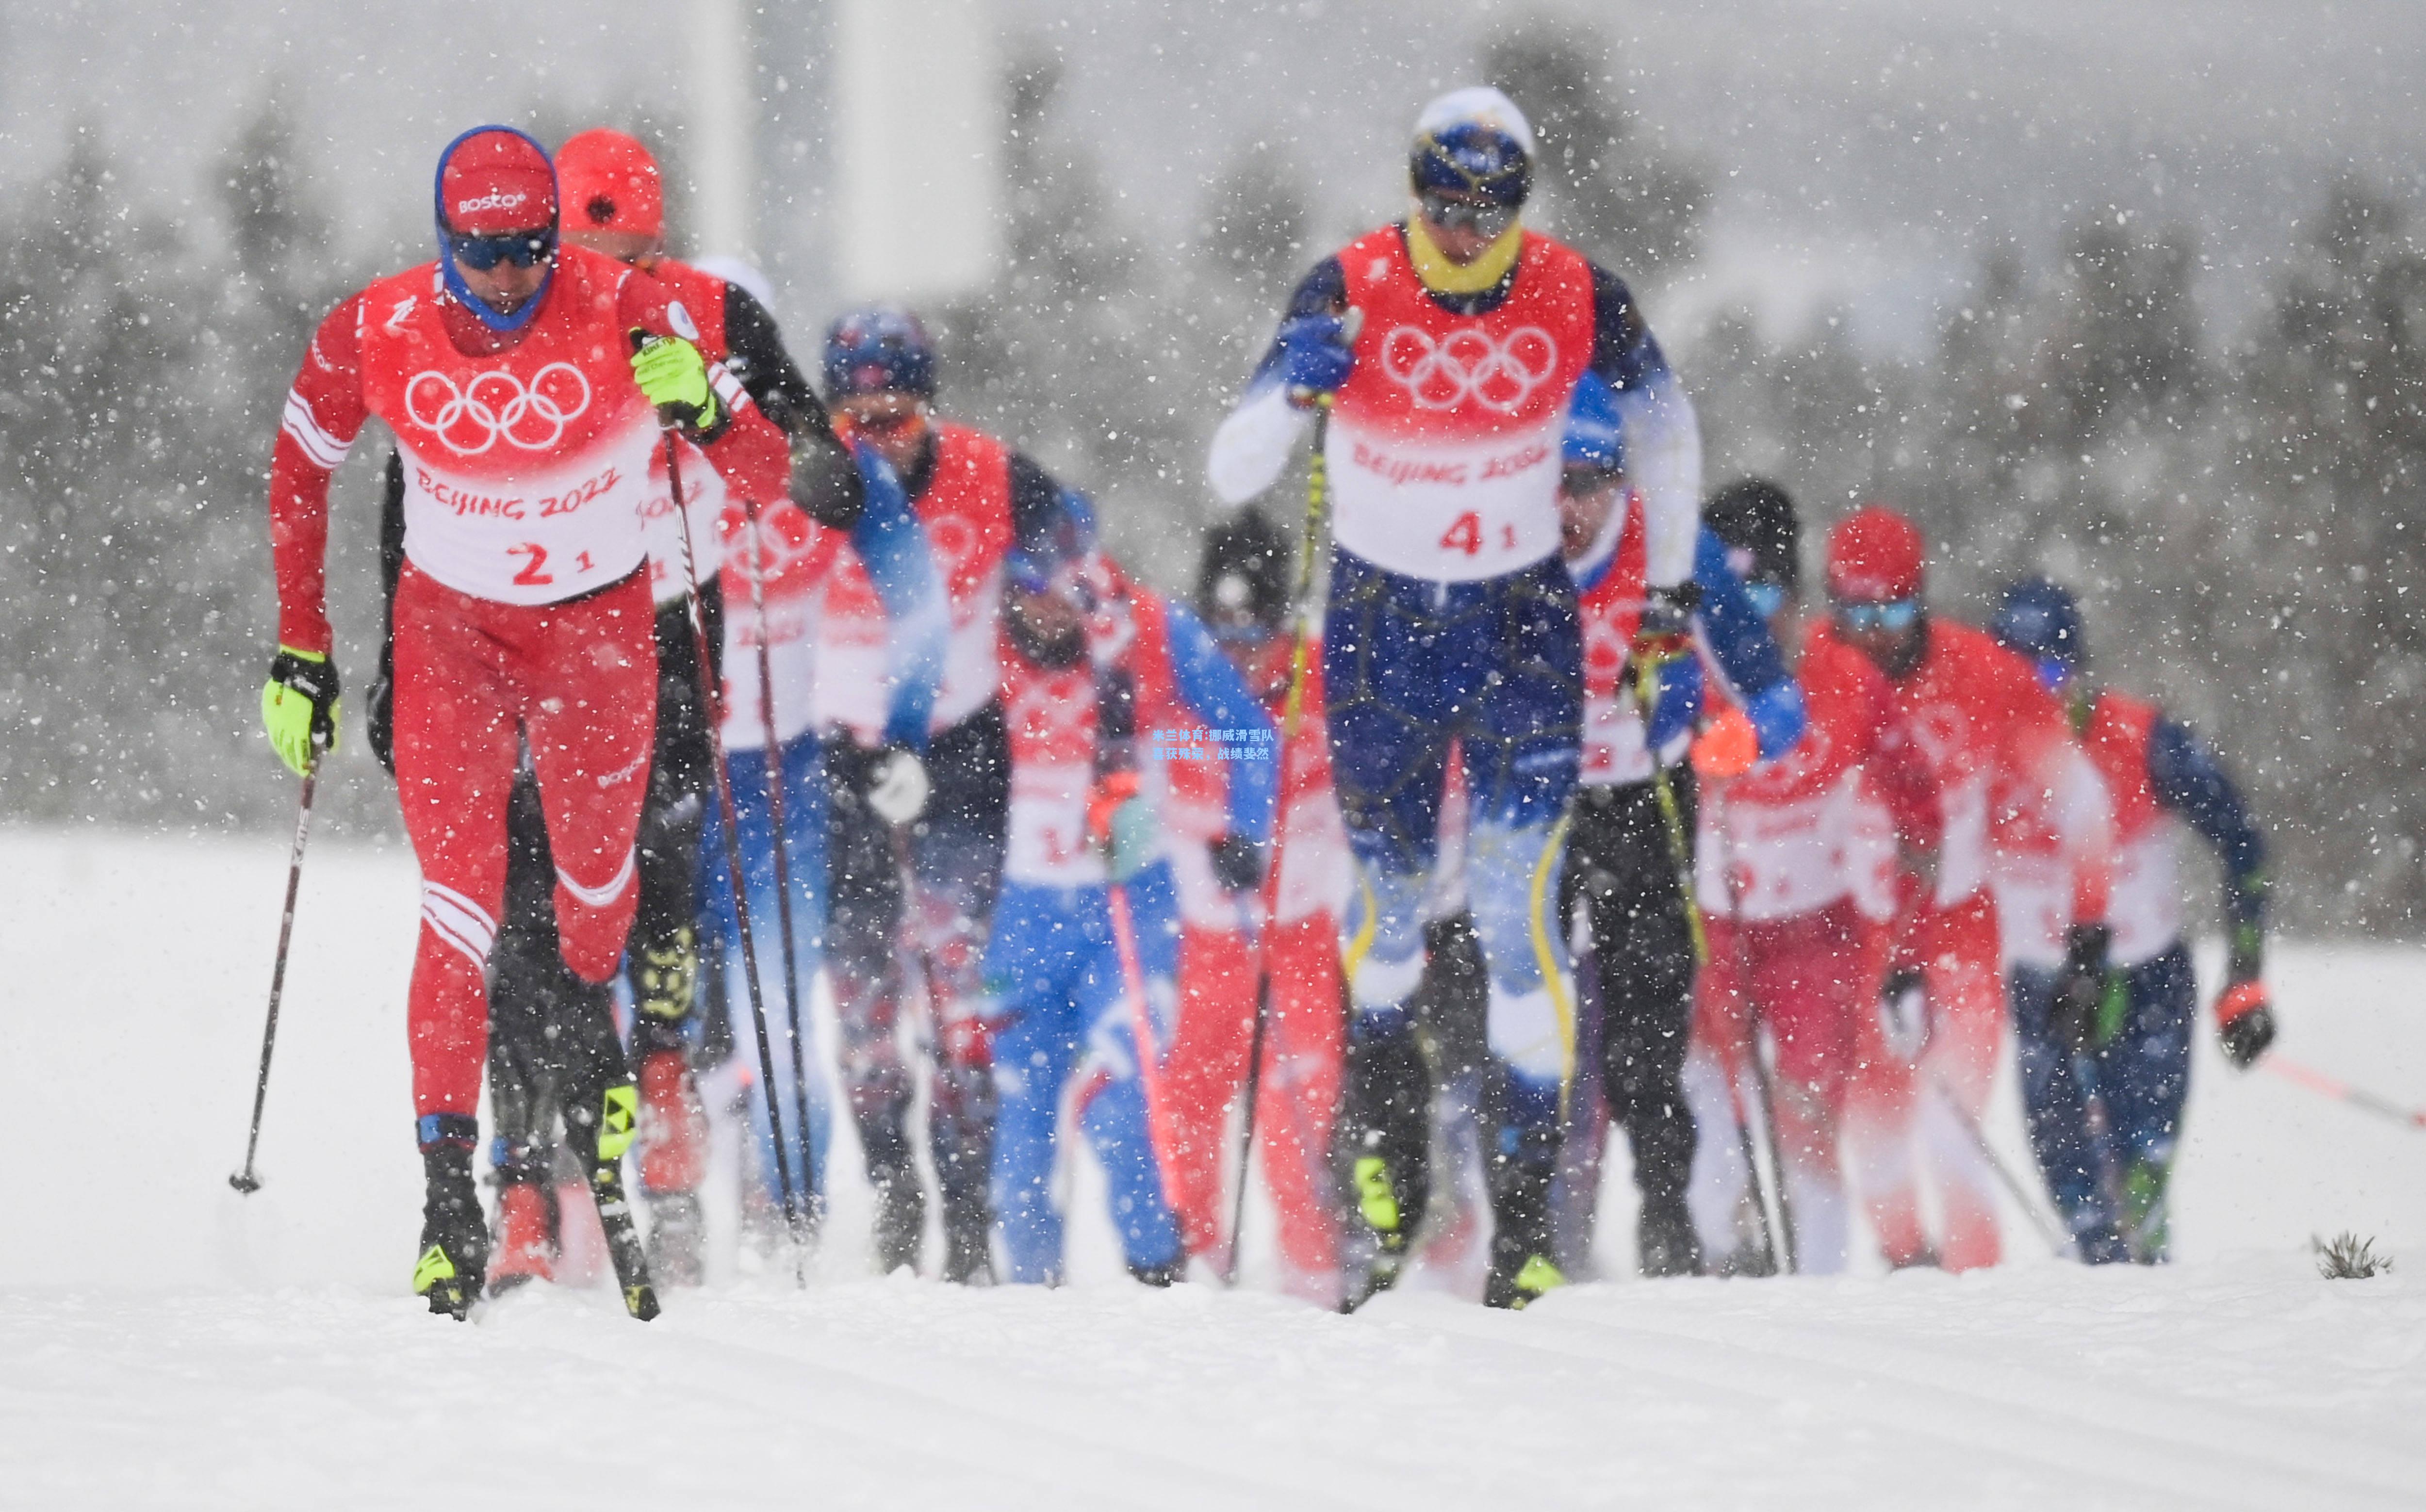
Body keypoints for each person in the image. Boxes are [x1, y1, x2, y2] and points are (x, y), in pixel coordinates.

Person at [261, 126, 790, 1317]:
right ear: (444, 239)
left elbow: (766, 474)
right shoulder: (373, 329)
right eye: (483, 253)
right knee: (462, 909)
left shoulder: (632, 305)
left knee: (596, 904)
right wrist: (304, 643)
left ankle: (610, 1067)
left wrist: (705, 409)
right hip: (454, 642)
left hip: (599, 641)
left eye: (530, 250)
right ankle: (450, 1193)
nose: (507, 276)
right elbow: (299, 469)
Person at [1206, 85, 1702, 1309]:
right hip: (1379, 640)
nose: (1467, 229)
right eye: (1445, 203)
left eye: (1493, 208)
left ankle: (1526, 1232)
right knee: (1386, 925)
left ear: (1522, 206)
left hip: (1519, 627)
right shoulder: (1348, 282)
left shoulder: (1577, 290)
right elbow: (1231, 469)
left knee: (1519, 930)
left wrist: (1674, 595)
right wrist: (1287, 393)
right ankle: (1386, 1170)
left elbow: (1669, 426)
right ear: (1414, 190)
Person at [465, 126, 848, 1291]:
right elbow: (425, 484)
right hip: (530, 641)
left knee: (657, 887)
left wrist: (719, 414)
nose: (600, 276)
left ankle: (668, 1118)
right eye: (583, 248)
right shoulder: (496, 317)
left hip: (669, 630)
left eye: (627, 250)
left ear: (660, 239)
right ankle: (524, 1193)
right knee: (525, 917)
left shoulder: (713, 311)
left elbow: (823, 481)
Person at [810, 306, 1078, 1281]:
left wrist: (1051, 601)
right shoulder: (810, 480)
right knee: (864, 1011)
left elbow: (1069, 555)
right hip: (843, 768)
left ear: (929, 404)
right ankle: (893, 1191)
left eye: (899, 414)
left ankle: (967, 1213)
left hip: (959, 760)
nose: (877, 436)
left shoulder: (989, 472)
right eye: (858, 418)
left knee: (959, 1000)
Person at [977, 507, 1277, 1286]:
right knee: (1021, 1136)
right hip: (1026, 919)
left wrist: (1243, 829)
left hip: (1128, 915)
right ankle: (1029, 1306)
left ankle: (1159, 1282)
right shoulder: (978, 634)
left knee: (1124, 1114)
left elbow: (1246, 729)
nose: (1047, 608)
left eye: (1065, 587)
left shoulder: (1147, 628)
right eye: (1030, 589)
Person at [1811, 506, 2112, 1272]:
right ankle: (1909, 1267)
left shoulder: (1985, 675)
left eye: (1895, 609)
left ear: (1923, 595)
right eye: (1856, 611)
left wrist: (2088, 935)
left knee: (1952, 1136)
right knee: (1874, 1144)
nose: (1875, 631)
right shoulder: (1807, 670)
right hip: (1852, 937)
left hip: (1958, 931)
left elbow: (2083, 804)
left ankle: (1978, 1299)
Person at [1549, 438, 1805, 1279]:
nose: (1567, 505)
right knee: (1537, 1036)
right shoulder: (1500, 537)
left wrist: (1734, 738)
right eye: (1551, 481)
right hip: (1537, 804)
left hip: (1646, 803)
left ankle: (1669, 1231)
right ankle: (1541, 1242)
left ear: (1622, 479)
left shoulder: (1676, 547)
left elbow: (1778, 704)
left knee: (1646, 1047)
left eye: (1588, 483)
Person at [700, 409, 946, 1258]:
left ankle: (794, 1216)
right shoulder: (635, 435)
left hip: (792, 778)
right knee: (650, 1009)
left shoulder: (822, 460)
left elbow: (919, 602)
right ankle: (627, 1209)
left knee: (780, 1010)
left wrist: (906, 732)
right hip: (671, 767)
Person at [1679, 481, 1939, 1276]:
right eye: (1733, 593)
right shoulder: (1685, 673)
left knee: (1809, 1129)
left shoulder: (1849, 683)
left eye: (1769, 591)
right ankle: (1728, 1257)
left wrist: (1907, 956)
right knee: (1712, 1137)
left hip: (1816, 934)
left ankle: (1820, 1304)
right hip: (1714, 932)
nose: (1755, 615)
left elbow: (1918, 815)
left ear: (1799, 593)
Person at [1990, 577, 2276, 1262]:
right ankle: (2097, 1323)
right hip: (2041, 991)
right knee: (2083, 1211)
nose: (2040, 694)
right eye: (2018, 676)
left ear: (2081, 670)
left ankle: (2149, 1315)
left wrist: (2245, 975)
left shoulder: (2145, 741)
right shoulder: (1981, 748)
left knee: (2139, 1192)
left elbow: (2243, 846)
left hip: (2144, 987)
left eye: (2054, 672)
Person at [1153, 507, 1353, 1299]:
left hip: (1302, 938)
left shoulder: (1322, 680)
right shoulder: (1180, 689)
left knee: (1297, 1122)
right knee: (1191, 1111)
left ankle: (1314, 1282)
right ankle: (1199, 1273)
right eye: (1220, 631)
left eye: (1252, 632)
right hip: (1208, 944)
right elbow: (1135, 773)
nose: (1235, 653)